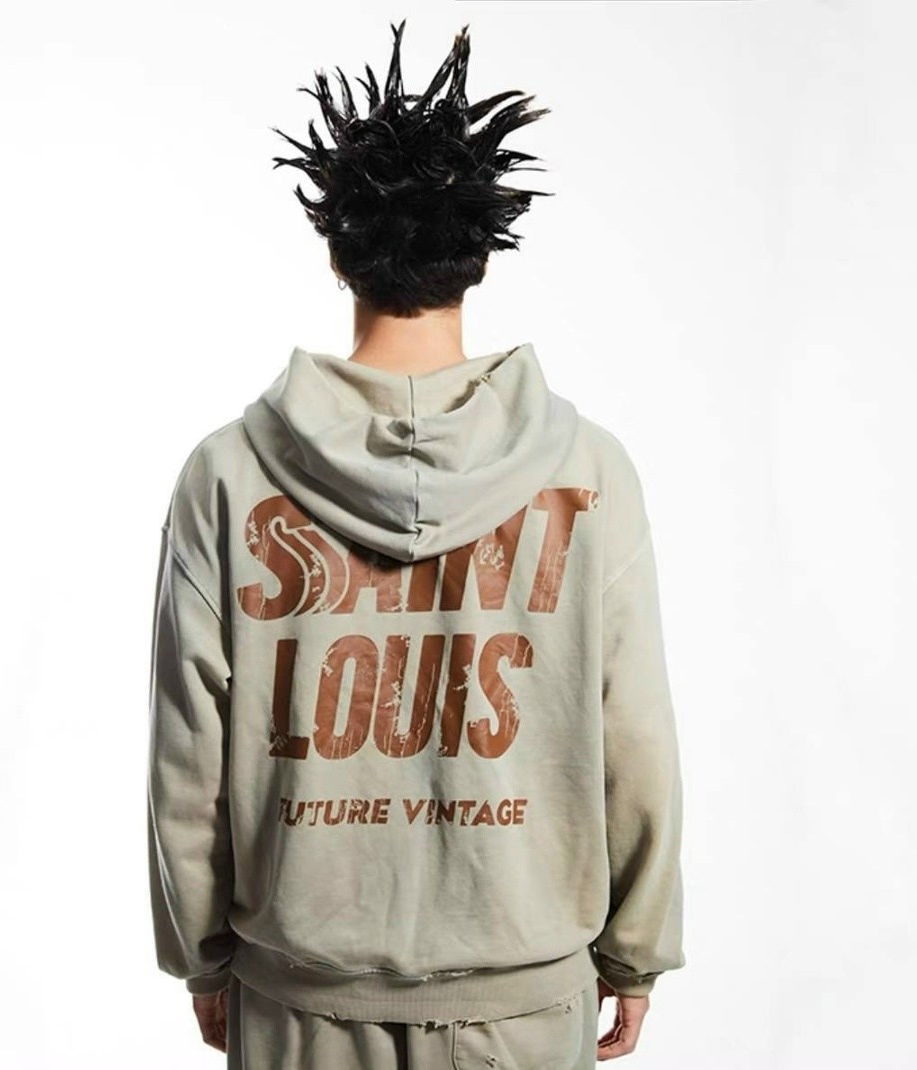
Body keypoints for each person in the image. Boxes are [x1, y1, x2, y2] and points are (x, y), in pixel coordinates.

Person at [146, 19, 685, 1069]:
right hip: (524, 1005)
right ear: (480, 255)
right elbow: (635, 734)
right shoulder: (591, 471)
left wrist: (204, 959)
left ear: (335, 250)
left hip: (299, 999)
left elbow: (185, 753)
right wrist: (635, 953)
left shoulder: (227, 474)